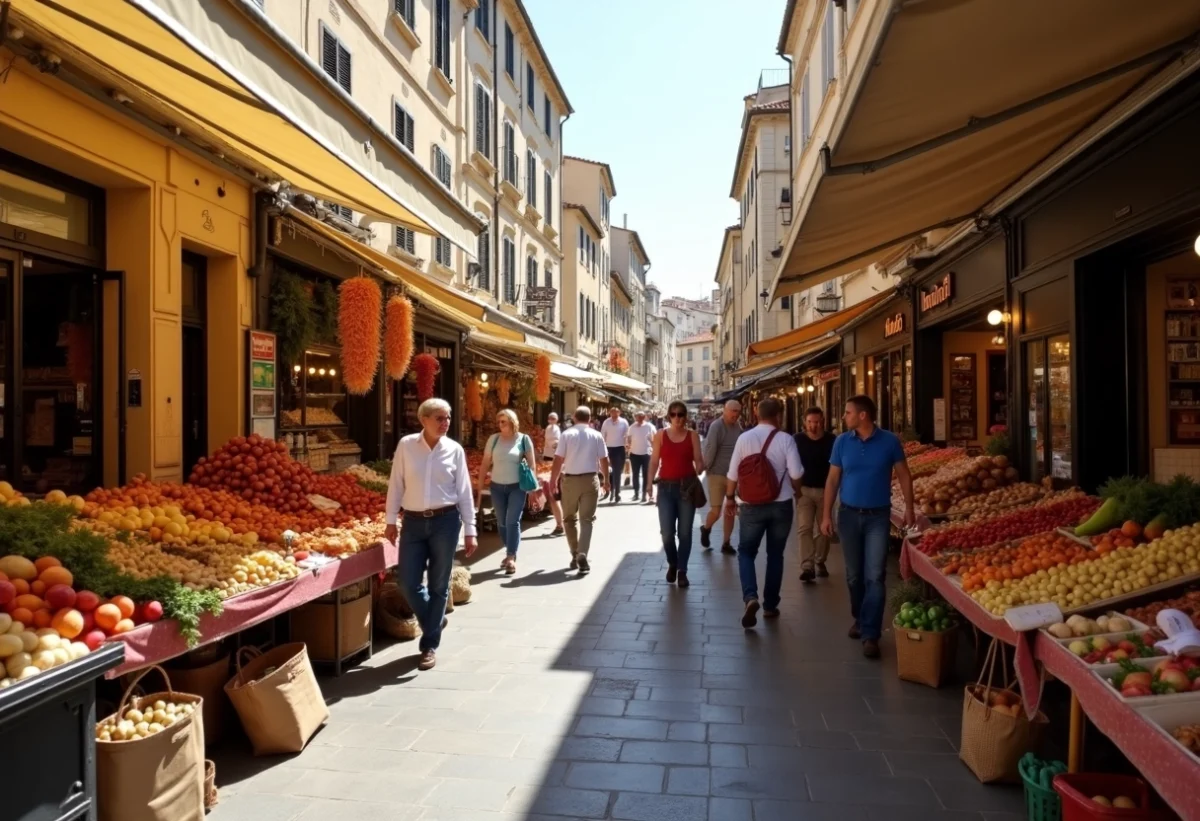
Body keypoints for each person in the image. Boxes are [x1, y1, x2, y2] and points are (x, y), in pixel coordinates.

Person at [384, 398, 478, 671]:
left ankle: (429, 645)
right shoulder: (406, 446)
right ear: (423, 420)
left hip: (445, 522)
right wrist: (391, 520)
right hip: (413, 522)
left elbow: (464, 492)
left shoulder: (454, 450)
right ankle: (434, 620)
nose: (445, 422)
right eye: (439, 418)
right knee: (407, 582)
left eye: (447, 417)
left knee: (439, 584)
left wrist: (470, 529)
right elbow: (396, 484)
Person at [821, 395, 916, 659]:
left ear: (863, 415)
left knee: (874, 575)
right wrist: (826, 515)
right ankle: (860, 618)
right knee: (854, 575)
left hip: (878, 517)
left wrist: (909, 508)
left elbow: (904, 474)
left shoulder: (889, 441)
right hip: (848, 515)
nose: (844, 416)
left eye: (848, 412)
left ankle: (871, 633)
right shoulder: (842, 442)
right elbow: (832, 480)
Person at [724, 397, 803, 629]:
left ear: (757, 415)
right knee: (775, 555)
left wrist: (730, 498)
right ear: (779, 415)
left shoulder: (744, 438)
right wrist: (798, 492)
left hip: (751, 505)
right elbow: (796, 473)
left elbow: (732, 473)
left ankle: (750, 597)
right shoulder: (786, 439)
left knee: (746, 552)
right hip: (781, 504)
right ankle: (770, 605)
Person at [649, 400, 705, 587]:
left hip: (686, 488)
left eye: (680, 414)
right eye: (673, 414)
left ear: (686, 416)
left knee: (685, 533)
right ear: (668, 416)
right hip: (665, 488)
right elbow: (654, 461)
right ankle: (673, 562)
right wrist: (649, 483)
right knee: (666, 533)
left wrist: (700, 466)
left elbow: (698, 460)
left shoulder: (693, 436)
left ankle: (682, 570)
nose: (677, 418)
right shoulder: (660, 435)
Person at [475, 409, 538, 575]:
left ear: (512, 421)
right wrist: (480, 487)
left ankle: (511, 557)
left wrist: (533, 489)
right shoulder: (494, 439)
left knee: (512, 521)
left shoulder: (523, 439)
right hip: (496, 487)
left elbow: (532, 465)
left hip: (517, 487)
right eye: (498, 421)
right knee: (501, 522)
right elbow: (485, 463)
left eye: (503, 421)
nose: (500, 424)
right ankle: (510, 549)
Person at [550, 406, 611, 574]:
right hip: (590, 480)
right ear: (589, 419)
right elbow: (604, 459)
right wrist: (606, 480)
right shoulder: (596, 435)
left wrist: (553, 480)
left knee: (569, 519)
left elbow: (558, 459)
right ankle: (582, 553)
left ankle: (575, 553)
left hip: (570, 480)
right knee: (587, 520)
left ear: (575, 418)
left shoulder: (566, 434)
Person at [793, 407, 837, 583]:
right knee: (804, 528)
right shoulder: (797, 439)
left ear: (822, 421)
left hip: (825, 491)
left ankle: (820, 559)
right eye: (810, 422)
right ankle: (807, 566)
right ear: (805, 422)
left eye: (817, 422)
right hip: (803, 490)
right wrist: (795, 490)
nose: (813, 426)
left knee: (824, 529)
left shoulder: (831, 440)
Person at [700, 400, 744, 555]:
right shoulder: (716, 426)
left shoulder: (737, 427)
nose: (736, 414)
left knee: (730, 509)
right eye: (733, 411)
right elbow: (710, 448)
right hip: (717, 473)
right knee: (716, 510)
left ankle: (726, 543)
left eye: (738, 411)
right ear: (725, 411)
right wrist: (707, 467)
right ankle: (706, 528)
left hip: (733, 475)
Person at [542, 412, 565, 536]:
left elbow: (556, 443)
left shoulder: (557, 430)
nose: (551, 420)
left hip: (555, 458)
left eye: (553, 418)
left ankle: (561, 524)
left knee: (555, 496)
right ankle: (561, 524)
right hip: (549, 455)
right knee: (555, 497)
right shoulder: (548, 428)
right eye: (550, 418)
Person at [600, 406, 629, 503]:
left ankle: (617, 493)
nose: (614, 415)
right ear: (610, 413)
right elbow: (602, 435)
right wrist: (602, 448)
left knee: (617, 472)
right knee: (609, 471)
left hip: (620, 448)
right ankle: (610, 491)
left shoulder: (624, 422)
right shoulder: (606, 422)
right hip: (609, 449)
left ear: (619, 413)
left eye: (616, 413)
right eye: (612, 413)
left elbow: (627, 435)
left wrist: (627, 445)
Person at [627, 410, 655, 503]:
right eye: (637, 417)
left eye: (641, 417)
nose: (639, 419)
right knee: (635, 474)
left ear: (644, 417)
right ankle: (636, 493)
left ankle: (644, 494)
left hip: (646, 454)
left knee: (645, 474)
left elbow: (654, 439)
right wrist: (628, 447)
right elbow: (629, 439)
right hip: (634, 453)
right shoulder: (632, 427)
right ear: (635, 418)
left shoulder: (649, 427)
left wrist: (654, 449)